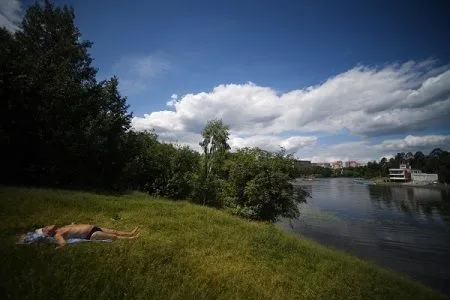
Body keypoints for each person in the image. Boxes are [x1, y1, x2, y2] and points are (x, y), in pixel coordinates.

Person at [37, 223, 140, 248]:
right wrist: (59, 246)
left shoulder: (61, 227)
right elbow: (63, 244)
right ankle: (132, 238)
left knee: (114, 231)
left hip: (93, 227)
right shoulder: (57, 234)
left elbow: (73, 227)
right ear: (47, 232)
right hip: (91, 234)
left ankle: (130, 232)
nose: (47, 226)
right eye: (45, 228)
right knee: (113, 236)